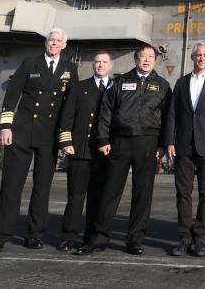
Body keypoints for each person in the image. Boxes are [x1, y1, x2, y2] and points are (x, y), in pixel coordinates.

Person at [0, 28, 77, 253]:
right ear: (46, 43)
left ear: (64, 45)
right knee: (10, 187)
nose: (54, 44)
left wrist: (65, 137)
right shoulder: (30, 63)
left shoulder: (70, 69)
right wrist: (6, 126)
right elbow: (11, 95)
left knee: (42, 189)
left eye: (58, 41)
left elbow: (70, 105)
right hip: (22, 131)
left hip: (49, 135)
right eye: (51, 40)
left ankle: (35, 235)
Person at [75, 43, 171, 256]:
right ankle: (98, 238)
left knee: (142, 194)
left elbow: (167, 118)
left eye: (150, 57)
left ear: (155, 61)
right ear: (136, 59)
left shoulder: (163, 85)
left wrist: (163, 144)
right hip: (120, 142)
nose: (146, 60)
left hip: (148, 143)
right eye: (143, 56)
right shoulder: (119, 82)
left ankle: (135, 240)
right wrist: (102, 139)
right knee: (110, 191)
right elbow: (105, 111)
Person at [164, 42, 205, 257]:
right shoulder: (181, 83)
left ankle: (200, 239)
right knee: (183, 193)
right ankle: (184, 237)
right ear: (192, 58)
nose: (201, 58)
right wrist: (170, 142)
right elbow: (172, 114)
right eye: (198, 55)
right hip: (183, 145)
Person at [56, 51, 113, 252]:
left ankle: (91, 237)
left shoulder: (116, 88)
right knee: (76, 196)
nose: (100, 65)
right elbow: (67, 116)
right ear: (93, 65)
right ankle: (69, 236)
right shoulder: (80, 88)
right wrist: (66, 142)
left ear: (110, 65)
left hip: (103, 153)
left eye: (104, 62)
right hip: (80, 149)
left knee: (97, 198)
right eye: (97, 62)